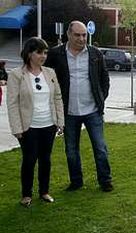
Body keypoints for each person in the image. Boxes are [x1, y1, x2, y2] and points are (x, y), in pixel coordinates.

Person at [45, 21, 112, 192]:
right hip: (69, 112)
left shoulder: (95, 53)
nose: (82, 39)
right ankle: (76, 182)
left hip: (92, 111)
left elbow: (105, 79)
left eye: (84, 35)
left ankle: (105, 181)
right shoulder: (56, 54)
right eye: (77, 35)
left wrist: (100, 100)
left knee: (100, 148)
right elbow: (48, 79)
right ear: (68, 34)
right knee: (71, 151)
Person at [7, 37, 64, 206]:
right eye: (39, 52)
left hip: (48, 124)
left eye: (45, 52)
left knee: (45, 159)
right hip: (28, 126)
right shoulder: (17, 75)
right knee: (30, 159)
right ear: (29, 53)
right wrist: (16, 127)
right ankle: (26, 195)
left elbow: (57, 98)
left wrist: (60, 121)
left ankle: (44, 192)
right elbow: (12, 104)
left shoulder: (50, 73)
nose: (43, 56)